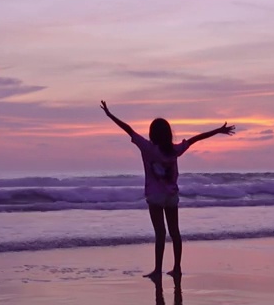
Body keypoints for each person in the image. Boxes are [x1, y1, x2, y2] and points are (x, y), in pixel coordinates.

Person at [100, 100, 234, 278]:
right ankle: (177, 268)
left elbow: (128, 129)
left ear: (152, 133)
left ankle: (157, 270)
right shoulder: (174, 150)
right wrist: (218, 130)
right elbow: (197, 138)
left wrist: (110, 115)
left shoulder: (147, 147)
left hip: (155, 197)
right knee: (175, 232)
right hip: (171, 196)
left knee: (160, 234)